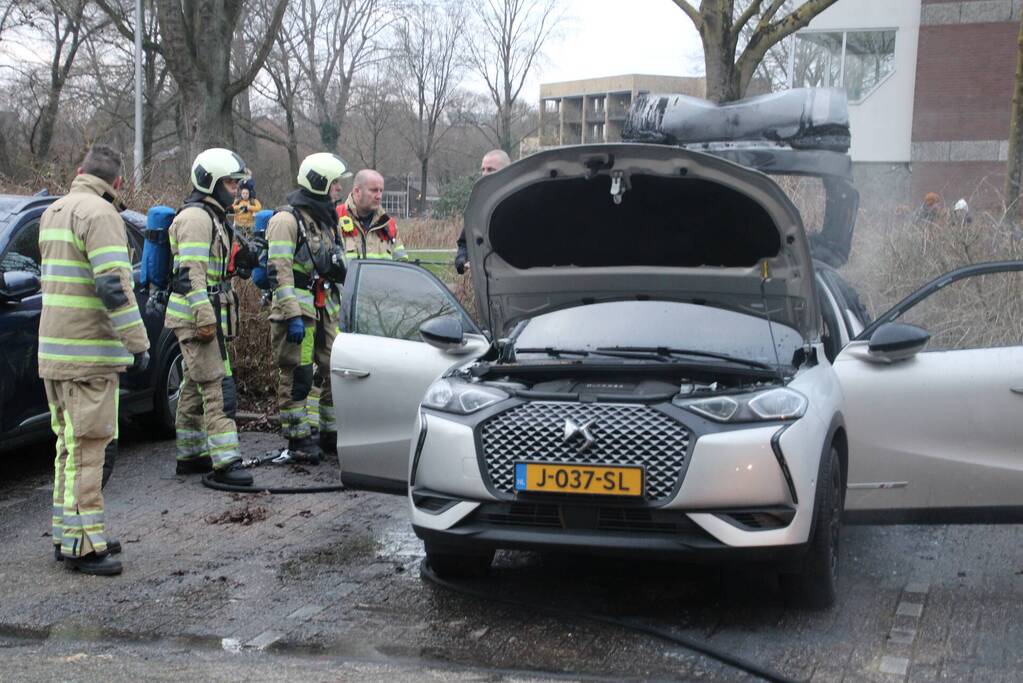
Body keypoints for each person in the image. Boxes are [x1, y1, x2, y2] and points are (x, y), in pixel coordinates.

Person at [38, 144, 150, 575]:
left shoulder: (53, 211)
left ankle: (67, 534)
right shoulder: (102, 216)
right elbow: (112, 288)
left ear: (80, 170)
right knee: (89, 450)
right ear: (117, 182)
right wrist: (138, 344)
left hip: (55, 352)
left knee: (67, 448)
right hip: (89, 357)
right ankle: (85, 547)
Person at [165, 148, 252, 486]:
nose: (236, 189)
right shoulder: (196, 218)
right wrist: (204, 317)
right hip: (195, 317)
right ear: (211, 182)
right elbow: (191, 273)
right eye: (230, 183)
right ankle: (226, 463)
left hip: (203, 314)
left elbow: (213, 269)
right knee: (217, 386)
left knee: (192, 385)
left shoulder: (212, 216)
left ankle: (190, 455)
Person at [267, 153, 350, 459]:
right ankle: (298, 436)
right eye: (334, 184)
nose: (339, 189)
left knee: (332, 369)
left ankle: (329, 432)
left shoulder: (325, 219)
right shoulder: (286, 220)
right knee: (298, 373)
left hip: (326, 307)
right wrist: (291, 314)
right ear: (319, 184)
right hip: (298, 312)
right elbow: (279, 269)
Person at [455, 149, 511, 274]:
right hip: (486, 283)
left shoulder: (519, 202)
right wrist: (462, 260)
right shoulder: (477, 204)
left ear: (507, 172)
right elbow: (464, 243)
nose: (485, 174)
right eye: (483, 169)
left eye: (490, 169)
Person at [337, 170, 408, 261]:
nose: (379, 196)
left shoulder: (389, 224)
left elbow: (401, 265)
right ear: (357, 191)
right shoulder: (335, 218)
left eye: (381, 191)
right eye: (374, 190)